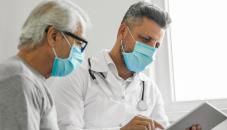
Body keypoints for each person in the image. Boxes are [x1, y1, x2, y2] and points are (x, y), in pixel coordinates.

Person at [51, 1, 201, 130]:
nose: (150, 50)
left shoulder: (149, 88)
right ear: (123, 31)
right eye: (145, 39)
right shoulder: (76, 75)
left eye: (156, 45)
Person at [0, 0, 90, 130]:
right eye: (78, 43)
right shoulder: (19, 80)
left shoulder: (31, 80)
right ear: (53, 36)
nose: (81, 53)